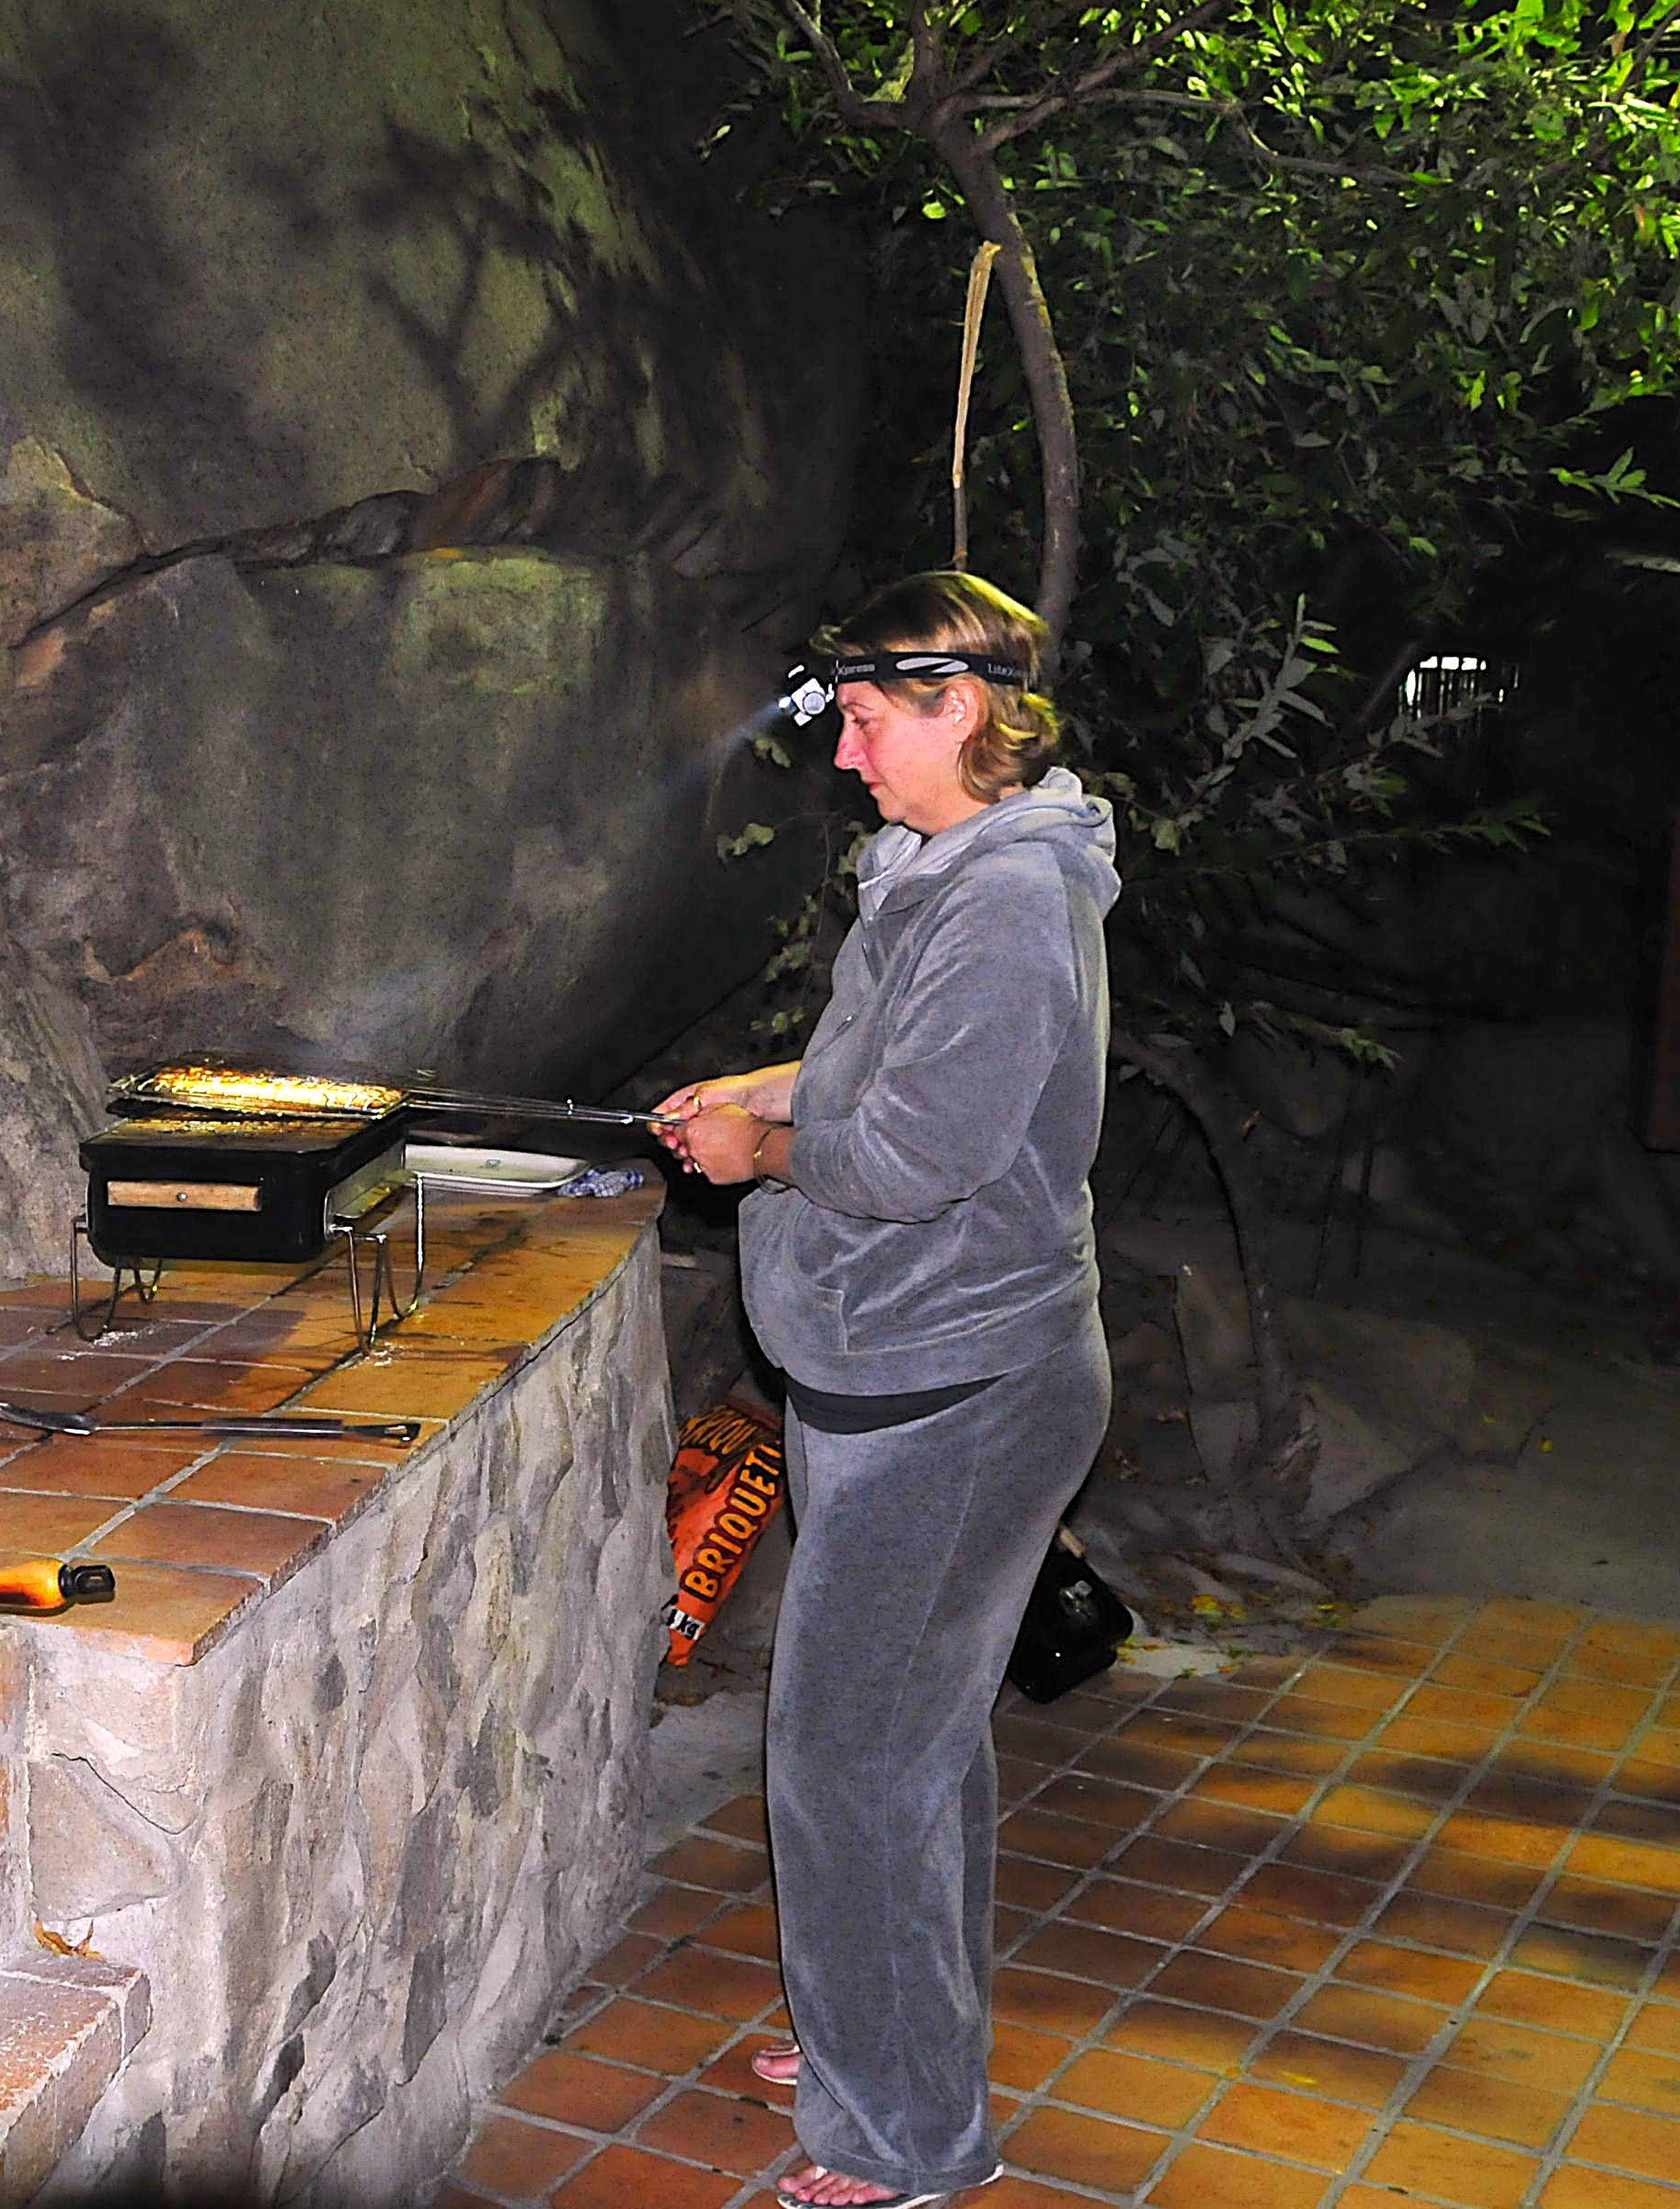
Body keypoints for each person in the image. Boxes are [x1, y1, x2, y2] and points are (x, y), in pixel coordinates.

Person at [653, 572, 1120, 2209]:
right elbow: (879, 1072)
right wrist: (766, 1085)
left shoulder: (1005, 908)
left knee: (851, 1761)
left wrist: (754, 1151)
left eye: (865, 721)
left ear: (961, 709)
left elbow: (918, 1154)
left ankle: (906, 2133)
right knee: (913, 1746)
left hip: (960, 1388)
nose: (845, 756)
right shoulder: (934, 871)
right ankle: (884, 2025)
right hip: (894, 1373)